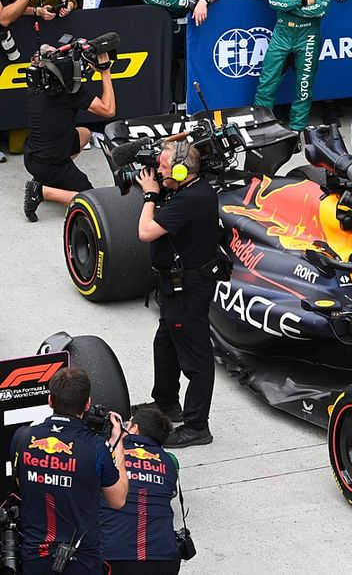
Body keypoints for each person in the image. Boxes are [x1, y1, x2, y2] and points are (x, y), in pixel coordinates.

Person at [137, 140, 221, 448]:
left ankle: (197, 426)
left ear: (184, 170)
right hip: (174, 288)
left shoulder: (192, 199)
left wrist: (150, 194)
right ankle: (166, 404)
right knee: (165, 343)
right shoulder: (185, 191)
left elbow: (145, 232)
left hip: (188, 290)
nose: (157, 171)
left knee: (197, 359)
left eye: (163, 166)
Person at [11, 367, 128, 575]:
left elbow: (22, 485)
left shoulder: (23, 437)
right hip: (82, 560)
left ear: (50, 400)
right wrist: (118, 443)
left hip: (35, 557)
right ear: (87, 403)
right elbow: (117, 500)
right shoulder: (96, 447)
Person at [22, 45, 115, 221]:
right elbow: (109, 110)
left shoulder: (37, 84)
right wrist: (105, 72)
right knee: (93, 202)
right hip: (51, 164)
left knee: (84, 133)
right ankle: (41, 191)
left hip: (32, 156)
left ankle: (46, 179)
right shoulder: (69, 92)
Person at [253, 0, 330, 130]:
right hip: (282, 33)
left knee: (304, 87)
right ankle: (262, 128)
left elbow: (321, 9)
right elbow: (273, 2)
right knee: (267, 82)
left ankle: (296, 131)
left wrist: (289, 1)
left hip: (309, 35)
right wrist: (303, 0)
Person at [101, 404, 181, 575]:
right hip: (165, 559)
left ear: (135, 429)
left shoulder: (108, 454)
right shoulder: (169, 462)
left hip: (116, 559)